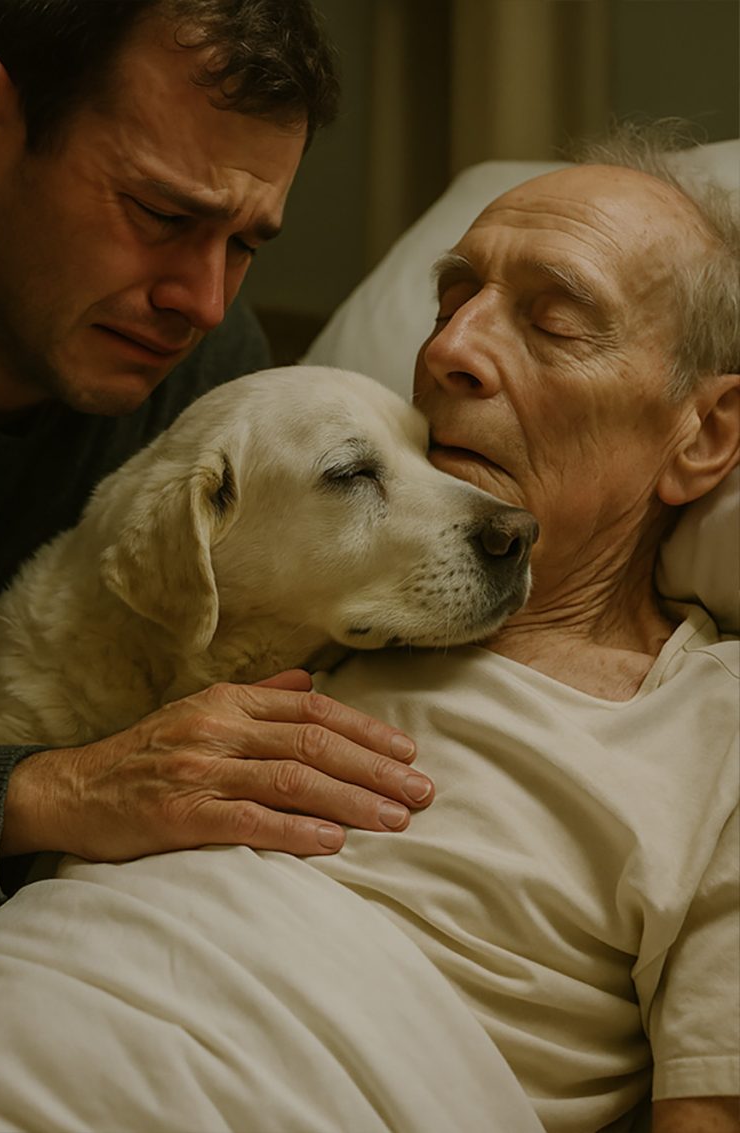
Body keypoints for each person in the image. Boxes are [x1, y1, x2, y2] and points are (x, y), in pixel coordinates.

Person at [308, 129, 739, 1131]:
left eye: (554, 323)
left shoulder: (716, 740)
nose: (448, 351)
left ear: (704, 433)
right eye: (449, 305)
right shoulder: (290, 589)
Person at [0, 0, 434, 909]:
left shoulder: (205, 378)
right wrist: (51, 790)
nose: (206, 302)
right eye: (159, 212)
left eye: (246, 243)